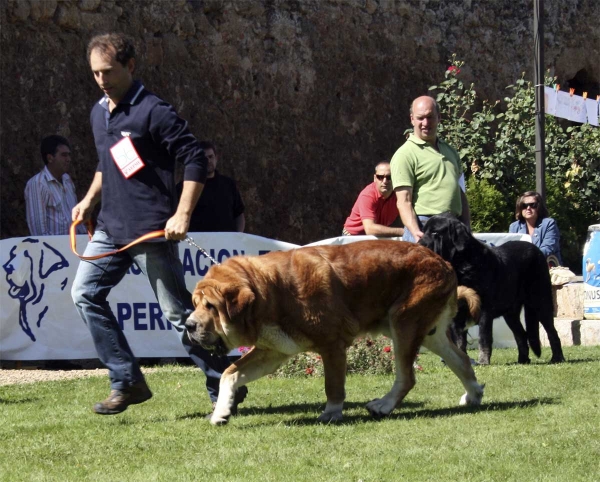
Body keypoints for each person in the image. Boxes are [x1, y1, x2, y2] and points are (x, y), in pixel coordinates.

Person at [71, 33, 246, 416]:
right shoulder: (99, 113)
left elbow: (195, 157)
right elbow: (108, 163)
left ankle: (224, 379)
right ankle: (127, 380)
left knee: (181, 316)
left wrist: (183, 213)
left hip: (151, 230)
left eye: (108, 71)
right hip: (110, 229)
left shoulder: (154, 111)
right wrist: (87, 200)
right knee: (83, 294)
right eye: (95, 73)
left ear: (130, 66)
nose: (101, 80)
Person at [390, 96, 470, 243]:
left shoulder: (451, 151)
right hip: (424, 227)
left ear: (439, 117)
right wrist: (416, 233)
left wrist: (466, 228)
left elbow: (460, 194)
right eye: (420, 118)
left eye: (430, 117)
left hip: (453, 227)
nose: (425, 123)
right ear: (412, 119)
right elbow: (404, 202)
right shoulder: (404, 155)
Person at [25, 135, 86, 236]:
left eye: (69, 155)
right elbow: (39, 233)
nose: (69, 159)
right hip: (53, 249)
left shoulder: (67, 180)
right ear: (50, 158)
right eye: (64, 155)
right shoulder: (37, 184)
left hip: (75, 246)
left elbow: (77, 220)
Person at [181, 141, 245, 233]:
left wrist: (238, 236)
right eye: (204, 158)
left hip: (226, 244)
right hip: (196, 245)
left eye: (211, 157)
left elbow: (239, 214)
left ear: (216, 158)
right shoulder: (185, 187)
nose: (208, 161)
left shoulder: (228, 185)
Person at [342, 161, 404, 237]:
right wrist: (403, 232)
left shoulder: (399, 195)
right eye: (380, 177)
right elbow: (370, 229)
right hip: (353, 236)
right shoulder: (367, 195)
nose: (385, 181)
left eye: (389, 177)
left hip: (375, 237)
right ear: (375, 178)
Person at [509, 191, 563, 265]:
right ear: (520, 208)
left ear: (539, 207)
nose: (528, 208)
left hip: (546, 269)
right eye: (524, 205)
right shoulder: (514, 227)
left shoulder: (549, 223)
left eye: (533, 205)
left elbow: (548, 249)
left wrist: (527, 258)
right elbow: (511, 251)